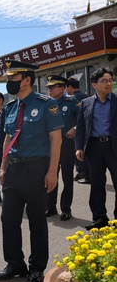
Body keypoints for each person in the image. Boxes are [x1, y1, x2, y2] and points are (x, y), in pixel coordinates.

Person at [0, 60, 63, 282]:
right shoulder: (11, 108)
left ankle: (37, 267)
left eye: (12, 78)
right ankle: (15, 264)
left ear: (26, 80)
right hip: (13, 168)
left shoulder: (46, 104)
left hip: (37, 168)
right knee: (8, 218)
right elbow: (7, 138)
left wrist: (52, 171)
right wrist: (3, 167)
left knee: (36, 220)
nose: (8, 82)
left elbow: (56, 139)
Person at [75, 67, 117, 230]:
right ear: (94, 85)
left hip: (113, 146)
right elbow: (81, 127)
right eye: (104, 81)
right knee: (97, 184)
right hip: (94, 148)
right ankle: (99, 217)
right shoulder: (86, 103)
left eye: (110, 80)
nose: (109, 83)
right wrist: (79, 147)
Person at [45, 75, 80, 221]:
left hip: (66, 144)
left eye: (53, 87)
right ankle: (50, 207)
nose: (49, 90)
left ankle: (66, 209)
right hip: (50, 144)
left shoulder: (72, 102)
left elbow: (83, 119)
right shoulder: (46, 103)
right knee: (50, 175)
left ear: (62, 88)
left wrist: (75, 128)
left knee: (67, 177)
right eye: (48, 87)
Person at [67, 77, 91, 183]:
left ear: (70, 87)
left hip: (75, 130)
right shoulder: (87, 97)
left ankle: (82, 172)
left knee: (78, 151)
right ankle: (86, 173)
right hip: (88, 129)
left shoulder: (71, 99)